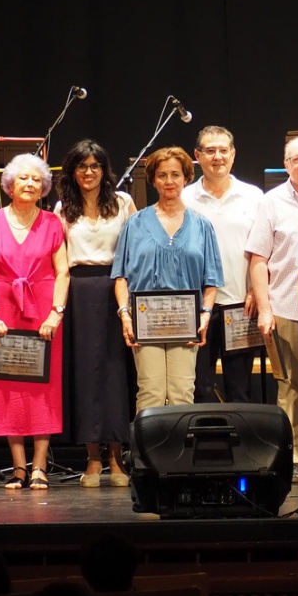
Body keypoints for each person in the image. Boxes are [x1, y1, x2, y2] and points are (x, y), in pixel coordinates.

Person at [0, 153, 68, 491]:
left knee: (42, 387)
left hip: (42, 309)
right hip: (1, 310)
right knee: (8, 386)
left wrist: (56, 312)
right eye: (23, 178)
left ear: (43, 188)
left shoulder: (53, 224)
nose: (30, 184)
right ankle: (18, 467)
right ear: (10, 185)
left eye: (36, 179)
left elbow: (63, 271)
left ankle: (39, 466)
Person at [112, 146, 222, 412]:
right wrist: (126, 315)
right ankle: (146, 454)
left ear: (186, 178)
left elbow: (212, 281)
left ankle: (179, 455)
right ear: (153, 180)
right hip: (145, 322)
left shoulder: (202, 225)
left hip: (185, 322)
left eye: (175, 174)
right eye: (162, 175)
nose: (169, 181)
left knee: (182, 393)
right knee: (150, 391)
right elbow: (120, 277)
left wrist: (205, 315)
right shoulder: (135, 223)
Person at [247, 136, 298, 480]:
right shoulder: (272, 202)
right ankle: (294, 456)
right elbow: (257, 260)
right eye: (295, 159)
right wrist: (265, 309)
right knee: (290, 388)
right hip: (284, 306)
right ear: (285, 165)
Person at [55, 139, 136, 488]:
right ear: (72, 171)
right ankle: (92, 459)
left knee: (116, 373)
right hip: (78, 292)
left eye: (95, 166)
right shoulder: (62, 208)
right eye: (82, 166)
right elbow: (58, 260)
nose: (88, 172)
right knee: (86, 375)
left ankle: (117, 459)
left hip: (116, 287)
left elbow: (134, 250)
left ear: (104, 170)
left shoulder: (123, 202)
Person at [181, 126, 265, 404]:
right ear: (197, 155)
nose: (217, 157)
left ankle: (239, 447)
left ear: (233, 154)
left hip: (242, 304)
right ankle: (207, 446)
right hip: (198, 307)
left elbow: (264, 251)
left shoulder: (254, 197)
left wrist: (256, 291)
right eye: (210, 150)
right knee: (200, 388)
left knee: (239, 389)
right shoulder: (184, 199)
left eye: (223, 150)